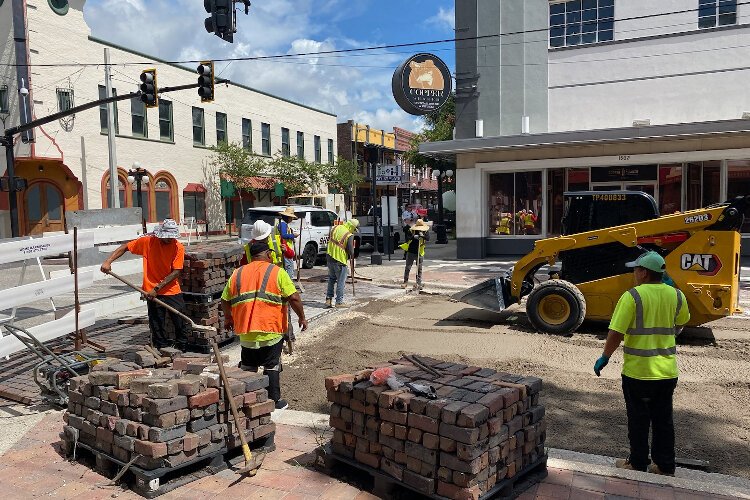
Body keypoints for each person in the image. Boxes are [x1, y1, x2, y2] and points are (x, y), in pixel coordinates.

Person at [594, 251, 690, 477]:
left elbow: (616, 332)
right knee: (663, 420)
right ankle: (665, 466)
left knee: (638, 419)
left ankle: (637, 462)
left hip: (638, 372)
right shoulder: (677, 295)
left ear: (644, 273)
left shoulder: (632, 296)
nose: (634, 273)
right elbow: (681, 323)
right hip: (667, 372)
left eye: (636, 269)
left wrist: (605, 357)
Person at [221, 240, 308, 410]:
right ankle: (274, 401)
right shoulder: (277, 272)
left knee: (248, 368)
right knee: (271, 365)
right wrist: (302, 318)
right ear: (268, 254)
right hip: (271, 330)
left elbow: (225, 299)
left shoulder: (237, 273)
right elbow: (294, 297)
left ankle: (246, 399)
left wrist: (228, 318)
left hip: (246, 331)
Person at [101, 219, 186, 349]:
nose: (170, 240)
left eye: (172, 237)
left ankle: (183, 346)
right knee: (156, 321)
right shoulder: (148, 242)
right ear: (161, 234)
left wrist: (157, 288)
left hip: (171, 289)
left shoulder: (178, 247)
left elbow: (176, 272)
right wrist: (108, 261)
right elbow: (125, 247)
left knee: (180, 318)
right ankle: (161, 347)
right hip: (150, 289)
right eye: (167, 237)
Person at [326, 219, 359, 308]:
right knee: (341, 281)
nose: (354, 231)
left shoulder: (336, 227)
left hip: (329, 256)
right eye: (354, 229)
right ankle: (339, 302)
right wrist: (352, 252)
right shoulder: (349, 235)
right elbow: (351, 251)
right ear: (352, 227)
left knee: (331, 279)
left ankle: (328, 299)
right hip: (339, 259)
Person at [399, 218, 430, 290]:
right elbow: (407, 238)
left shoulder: (425, 231)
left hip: (420, 252)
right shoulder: (412, 230)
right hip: (411, 251)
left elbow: (428, 238)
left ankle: (418, 283)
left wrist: (422, 236)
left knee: (419, 268)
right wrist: (413, 237)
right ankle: (405, 282)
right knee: (408, 267)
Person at [276, 207, 298, 279]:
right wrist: (293, 235)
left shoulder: (283, 224)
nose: (292, 219)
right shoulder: (283, 224)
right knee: (289, 270)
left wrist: (291, 238)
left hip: (286, 249)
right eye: (291, 218)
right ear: (287, 217)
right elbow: (283, 235)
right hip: (286, 250)